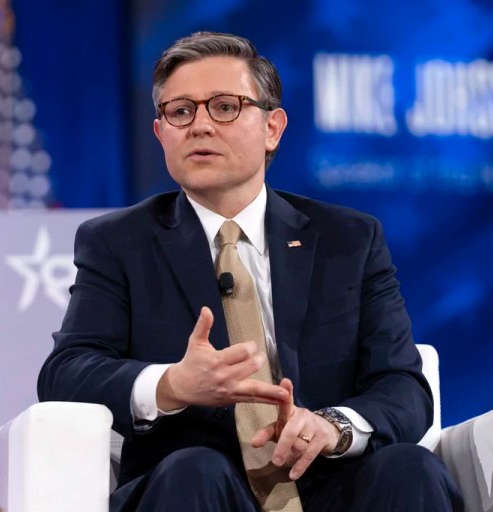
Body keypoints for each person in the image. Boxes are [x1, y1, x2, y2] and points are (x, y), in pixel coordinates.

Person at [37, 31, 463, 512]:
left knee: (410, 467)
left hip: (329, 483)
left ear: (272, 128)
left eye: (224, 106)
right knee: (193, 469)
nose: (199, 125)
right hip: (196, 485)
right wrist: (172, 385)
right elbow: (66, 372)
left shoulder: (349, 239)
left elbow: (402, 385)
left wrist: (333, 426)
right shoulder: (118, 241)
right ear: (161, 134)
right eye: (180, 111)